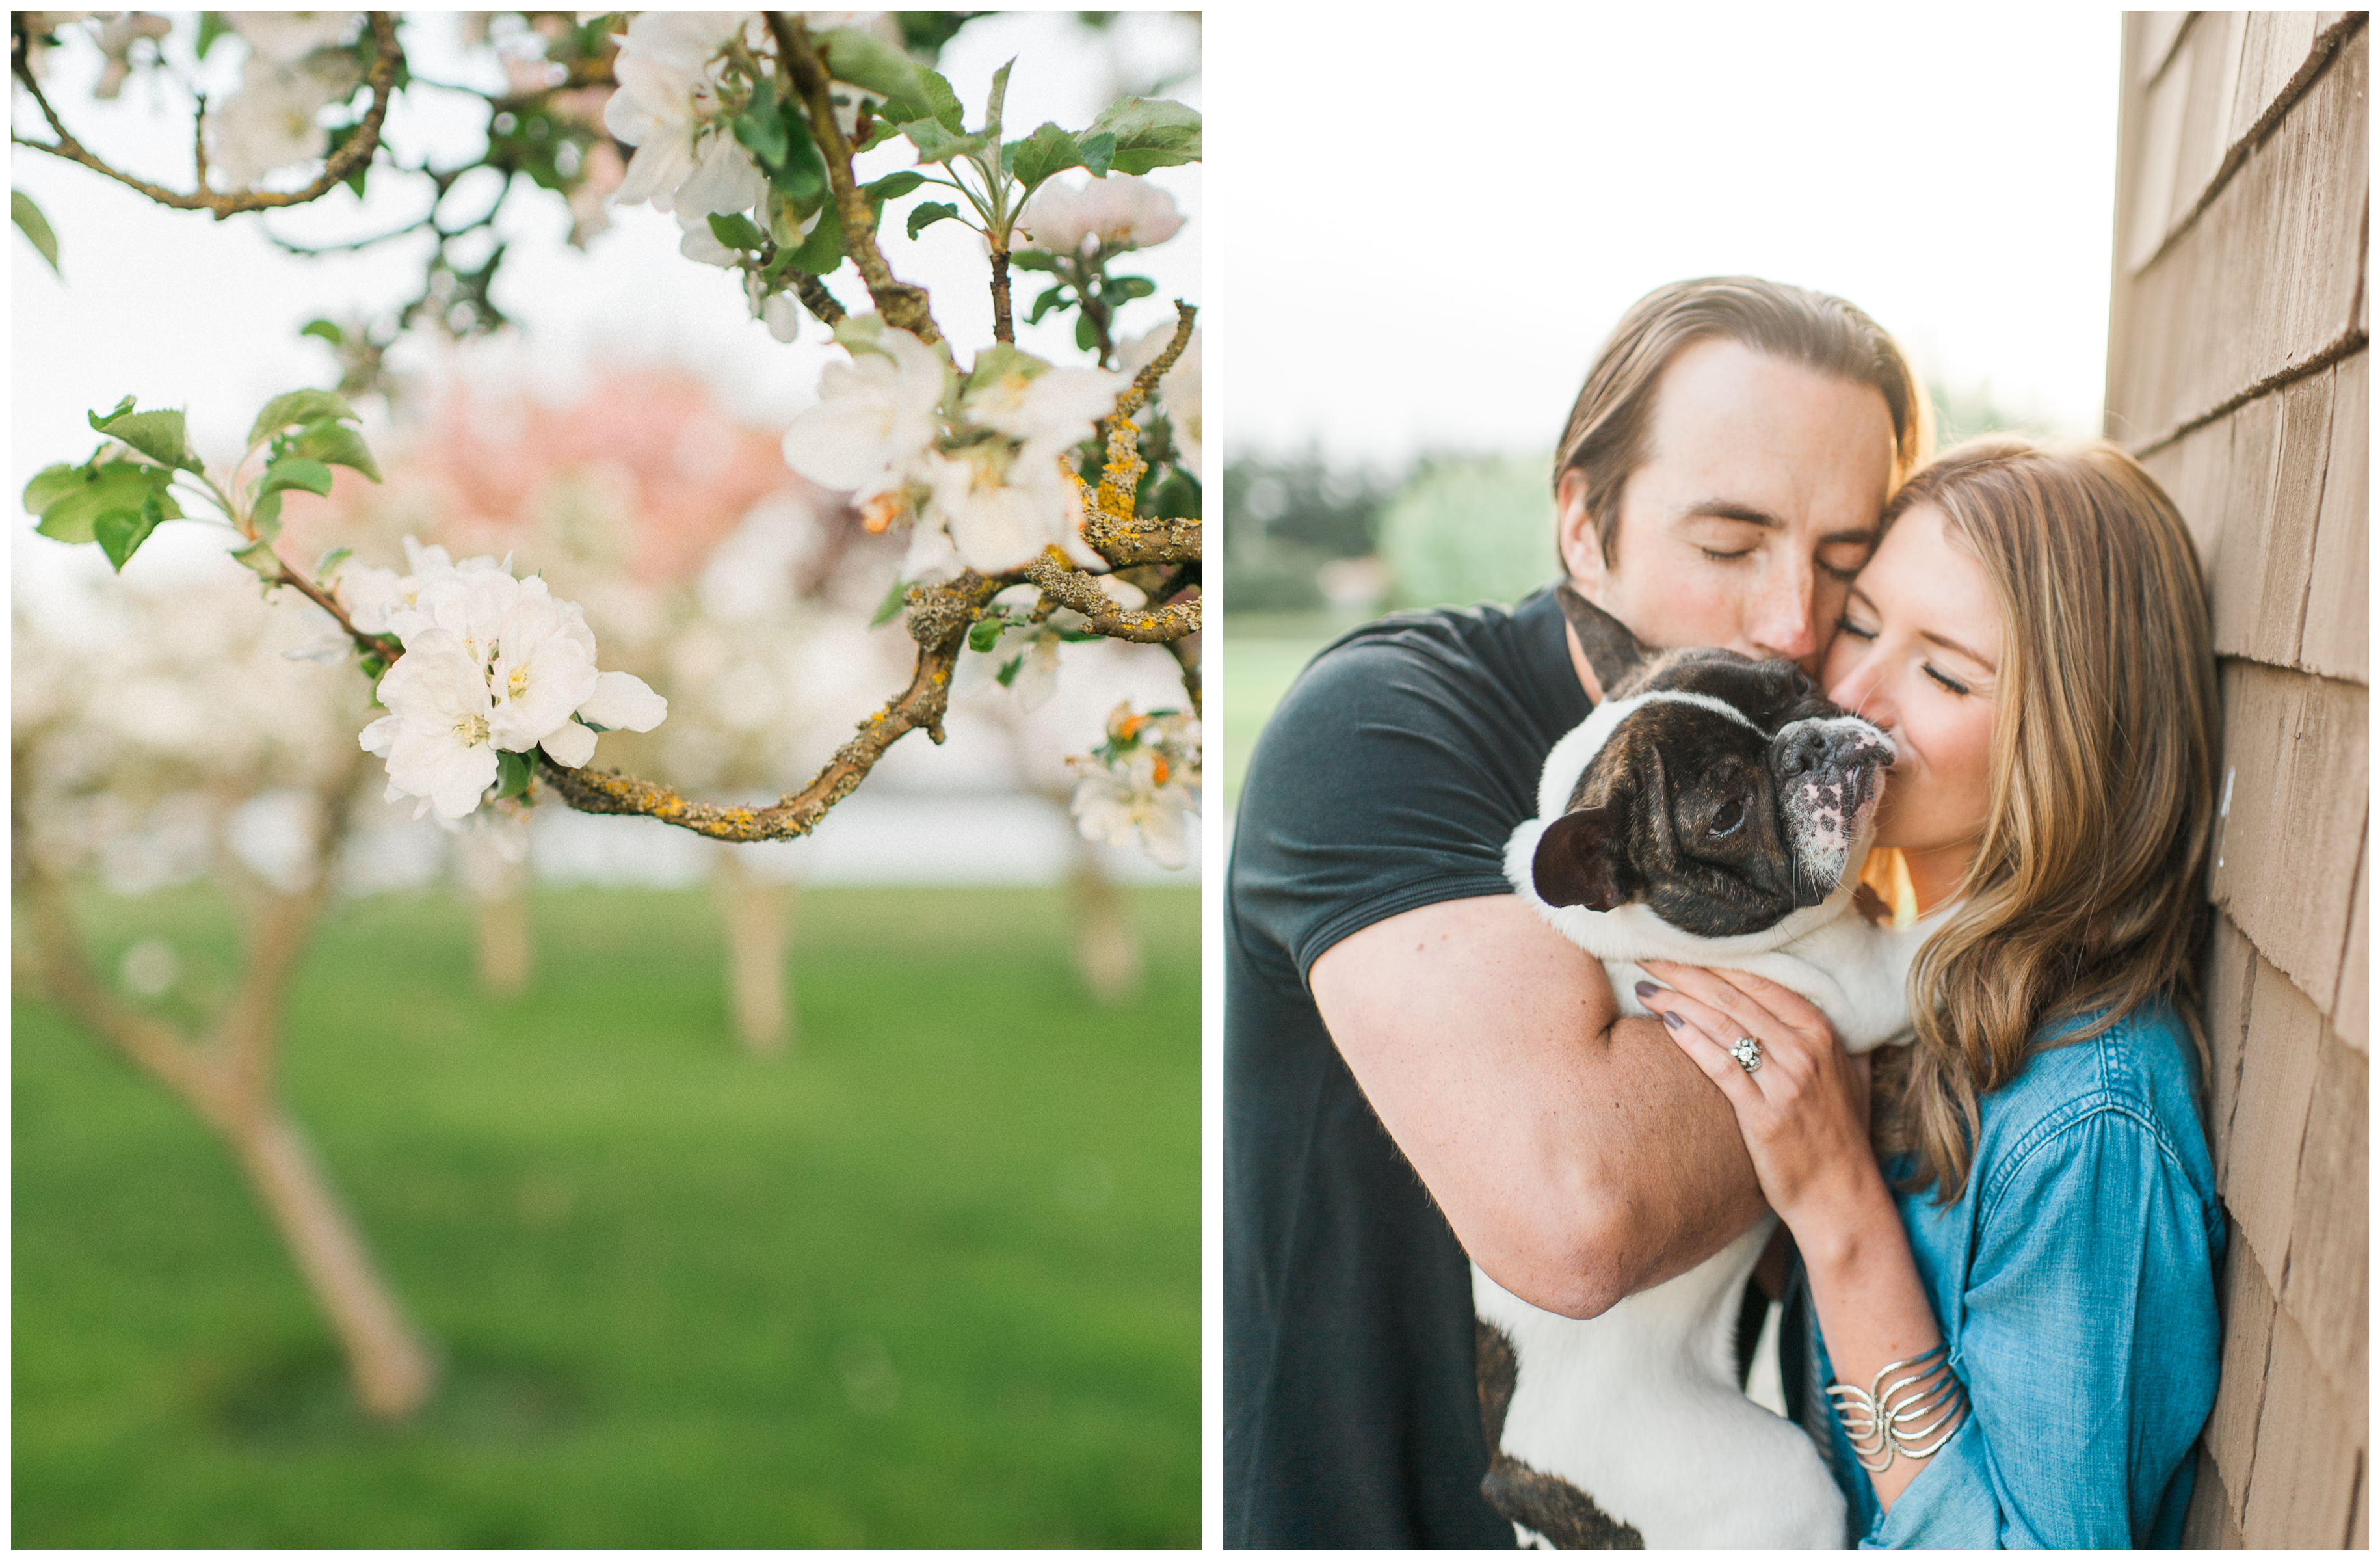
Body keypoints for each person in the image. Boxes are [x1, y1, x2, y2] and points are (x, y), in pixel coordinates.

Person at [1224, 276, 1930, 1547]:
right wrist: (1898, 1009)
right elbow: (1579, 1208)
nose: (1791, 624)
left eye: (1846, 564)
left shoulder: (1812, 769)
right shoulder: (1383, 730)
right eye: (1728, 545)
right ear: (1583, 524)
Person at [1637, 439, 2223, 1546]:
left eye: (1946, 674)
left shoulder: (2088, 1127)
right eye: (1860, 625)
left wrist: (1840, 1212)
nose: (1852, 697)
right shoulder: (1898, 991)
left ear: (2076, 741)